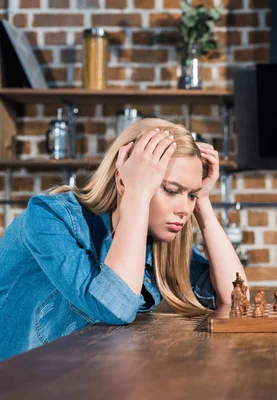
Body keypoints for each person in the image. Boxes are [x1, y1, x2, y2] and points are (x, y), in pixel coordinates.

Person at [0, 118, 247, 361]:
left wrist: (203, 203)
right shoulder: (48, 218)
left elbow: (234, 297)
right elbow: (114, 306)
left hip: (85, 375)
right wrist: (136, 192)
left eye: (190, 194)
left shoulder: (157, 239)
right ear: (122, 180)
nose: (184, 209)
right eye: (172, 190)